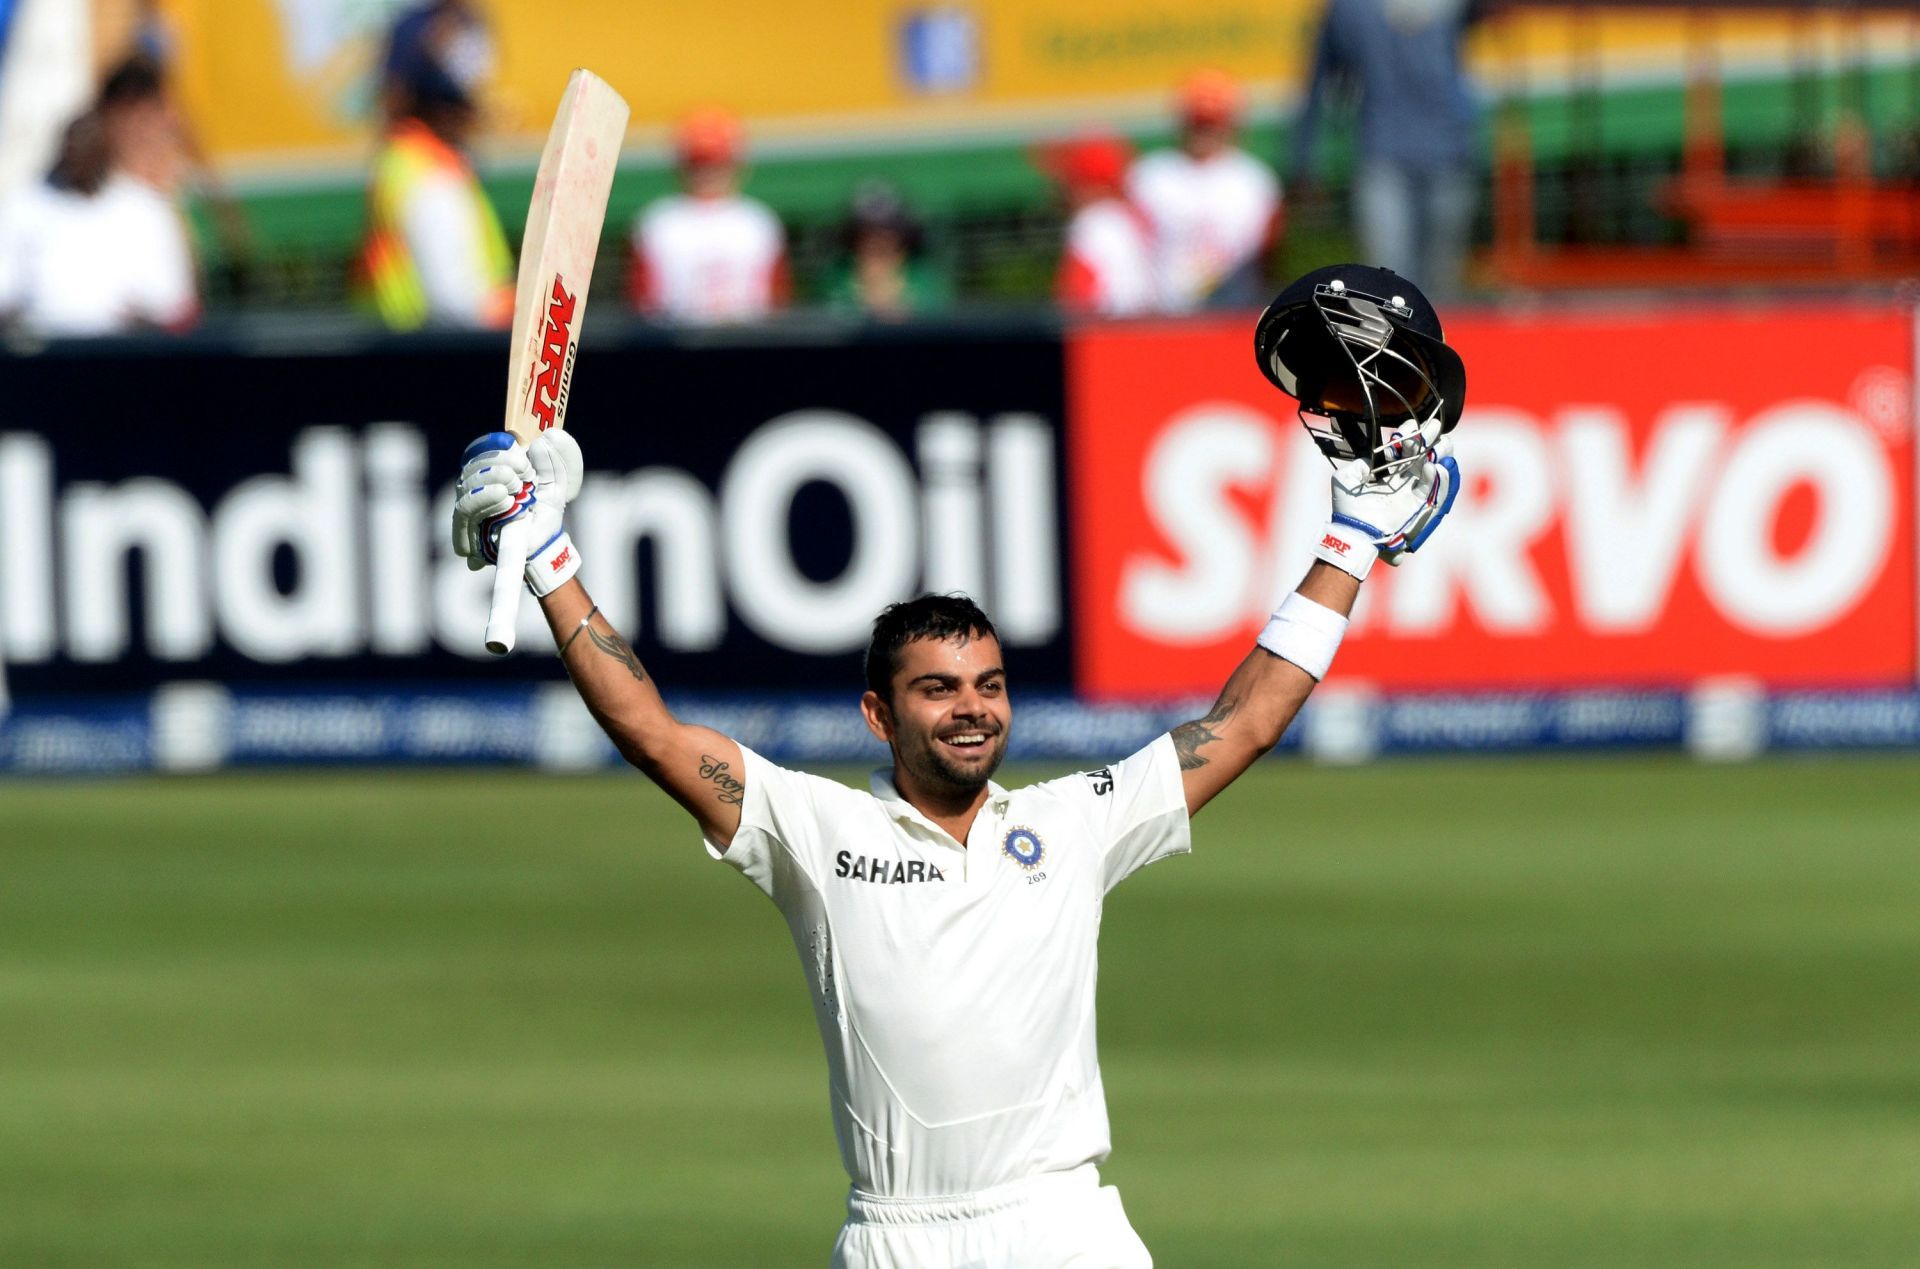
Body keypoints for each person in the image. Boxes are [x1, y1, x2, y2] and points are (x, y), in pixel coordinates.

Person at [445, 262, 1463, 1267]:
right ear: (878, 715)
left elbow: (1241, 725)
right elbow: (655, 733)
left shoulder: (1074, 823)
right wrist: (549, 561)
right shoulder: (817, 832)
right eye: (939, 690)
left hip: (1067, 1228)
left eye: (988, 685)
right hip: (901, 1238)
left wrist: (1356, 539)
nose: (972, 709)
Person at [1291, 0, 1481, 302]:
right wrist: (1304, 157)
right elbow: (1319, 78)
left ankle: (1436, 349)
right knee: (1389, 287)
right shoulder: (1348, 8)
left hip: (1449, 154)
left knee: (1443, 289)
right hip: (1382, 156)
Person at [0, 57, 197, 337]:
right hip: (43, 358)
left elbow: (175, 308)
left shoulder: (144, 209)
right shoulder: (24, 203)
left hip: (120, 357)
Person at [355, 2, 511, 330]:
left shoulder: (402, 162)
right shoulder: (432, 176)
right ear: (445, 108)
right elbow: (457, 302)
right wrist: (526, 311)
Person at [1127, 69, 1283, 311]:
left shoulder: (1254, 180)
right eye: (1198, 122)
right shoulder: (1149, 176)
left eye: (1212, 123)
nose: (1204, 132)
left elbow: (1268, 255)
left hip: (1235, 312)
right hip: (1163, 314)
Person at [627, 107, 788, 323]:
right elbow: (642, 301)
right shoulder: (657, 222)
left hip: (750, 342)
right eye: (699, 163)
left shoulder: (758, 221)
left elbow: (777, 301)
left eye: (715, 163)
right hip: (676, 343)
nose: (707, 172)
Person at [1041, 131, 1160, 317]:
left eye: (1067, 178)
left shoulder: (1093, 222)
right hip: (1150, 326)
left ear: (1083, 182)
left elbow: (1077, 296)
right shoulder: (1128, 220)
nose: (1057, 188)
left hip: (1111, 332)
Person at [822, 180, 950, 319]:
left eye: (888, 239)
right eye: (867, 238)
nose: (877, 245)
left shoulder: (923, 278)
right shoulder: (836, 278)